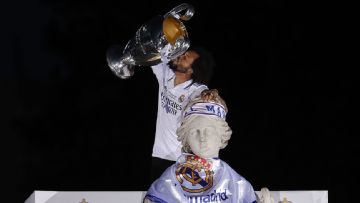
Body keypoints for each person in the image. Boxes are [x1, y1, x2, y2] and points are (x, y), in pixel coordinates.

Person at [144, 96, 258, 203]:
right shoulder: (174, 175)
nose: (202, 138)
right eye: (194, 132)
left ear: (221, 136)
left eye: (208, 131)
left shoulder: (233, 180)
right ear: (187, 139)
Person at [149, 46, 217, 183]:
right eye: (184, 53)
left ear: (191, 70)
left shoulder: (197, 90)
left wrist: (213, 94)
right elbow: (154, 50)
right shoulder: (166, 74)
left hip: (183, 159)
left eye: (186, 57)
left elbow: (211, 100)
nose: (181, 56)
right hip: (159, 154)